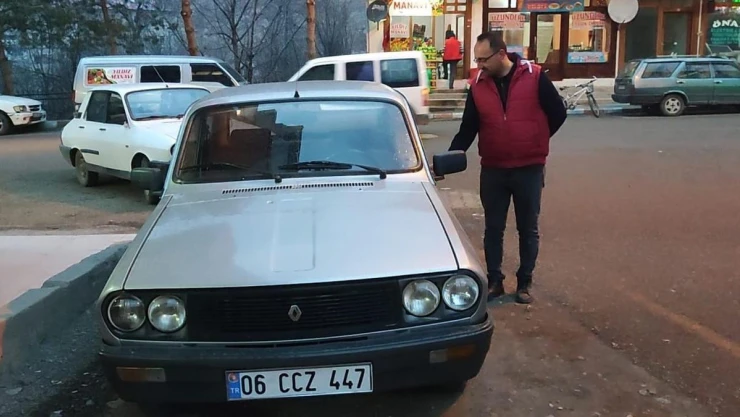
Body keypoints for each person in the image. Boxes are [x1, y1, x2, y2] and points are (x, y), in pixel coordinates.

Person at [448, 31, 567, 304]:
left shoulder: (534, 76)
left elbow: (558, 113)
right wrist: (450, 157)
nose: (479, 65)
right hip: (494, 169)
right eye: (476, 60)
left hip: (529, 168)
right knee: (493, 228)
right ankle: (495, 281)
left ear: (501, 54)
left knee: (528, 228)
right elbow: (468, 128)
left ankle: (524, 282)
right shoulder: (478, 85)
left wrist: (536, 138)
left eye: (483, 59)